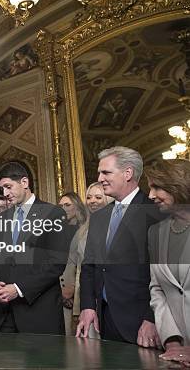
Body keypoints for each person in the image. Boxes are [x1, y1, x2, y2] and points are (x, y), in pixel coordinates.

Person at [77, 146, 164, 347]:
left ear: (128, 173)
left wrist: (151, 318)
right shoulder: (99, 217)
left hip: (142, 322)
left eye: (106, 172)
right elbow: (89, 266)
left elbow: (160, 273)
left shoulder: (155, 213)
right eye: (99, 172)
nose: (99, 178)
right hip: (104, 320)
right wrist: (88, 306)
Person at [0, 161, 68, 335]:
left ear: (24, 182)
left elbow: (56, 263)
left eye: (8, 187)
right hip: (3, 315)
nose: (5, 194)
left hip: (39, 314)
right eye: (2, 189)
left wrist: (18, 289)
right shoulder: (1, 219)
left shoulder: (53, 214)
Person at [145, 160, 190, 354]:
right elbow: (157, 288)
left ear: (178, 185)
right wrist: (172, 341)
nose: (150, 195)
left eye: (157, 187)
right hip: (175, 351)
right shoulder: (155, 233)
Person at [60, 184, 110, 337]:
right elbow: (72, 262)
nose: (92, 201)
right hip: (86, 295)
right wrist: (68, 288)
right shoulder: (82, 231)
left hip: (109, 295)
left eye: (98, 197)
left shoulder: (116, 227)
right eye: (89, 197)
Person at [58, 192, 90, 335]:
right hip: (61, 288)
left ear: (77, 206)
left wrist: (72, 290)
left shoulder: (85, 229)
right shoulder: (57, 229)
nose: (63, 208)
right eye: (60, 206)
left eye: (67, 205)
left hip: (79, 288)